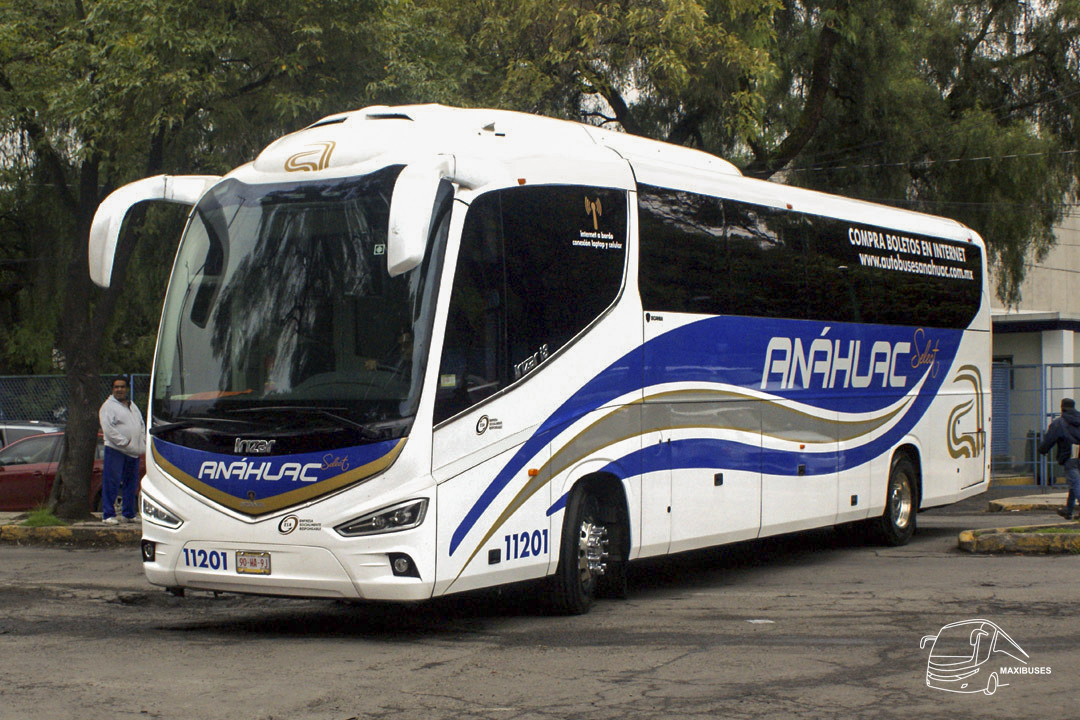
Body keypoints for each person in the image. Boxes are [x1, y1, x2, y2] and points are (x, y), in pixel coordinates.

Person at [98, 376, 146, 524]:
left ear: (127, 389)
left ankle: (129, 513)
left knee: (131, 483)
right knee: (111, 482)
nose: (119, 390)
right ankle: (108, 515)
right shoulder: (108, 407)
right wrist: (124, 443)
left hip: (133, 451)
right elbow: (108, 429)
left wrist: (141, 442)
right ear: (112, 390)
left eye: (122, 387)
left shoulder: (132, 406)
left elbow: (141, 424)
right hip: (116, 450)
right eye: (116, 387)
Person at [1037, 397, 1080, 520]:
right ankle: (1068, 510)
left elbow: (1049, 440)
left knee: (1076, 482)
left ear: (1062, 408)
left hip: (1070, 456)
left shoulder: (1059, 423)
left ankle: (1069, 510)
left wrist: (1042, 450)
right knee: (1074, 483)